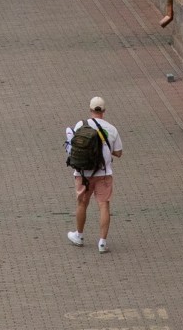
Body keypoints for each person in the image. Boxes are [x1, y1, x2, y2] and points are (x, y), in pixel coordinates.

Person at [65, 95, 124, 252]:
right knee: (103, 205)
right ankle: (102, 243)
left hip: (83, 172)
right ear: (104, 111)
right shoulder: (111, 129)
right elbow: (118, 153)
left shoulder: (81, 124)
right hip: (104, 173)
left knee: (82, 203)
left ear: (90, 109)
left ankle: (79, 235)